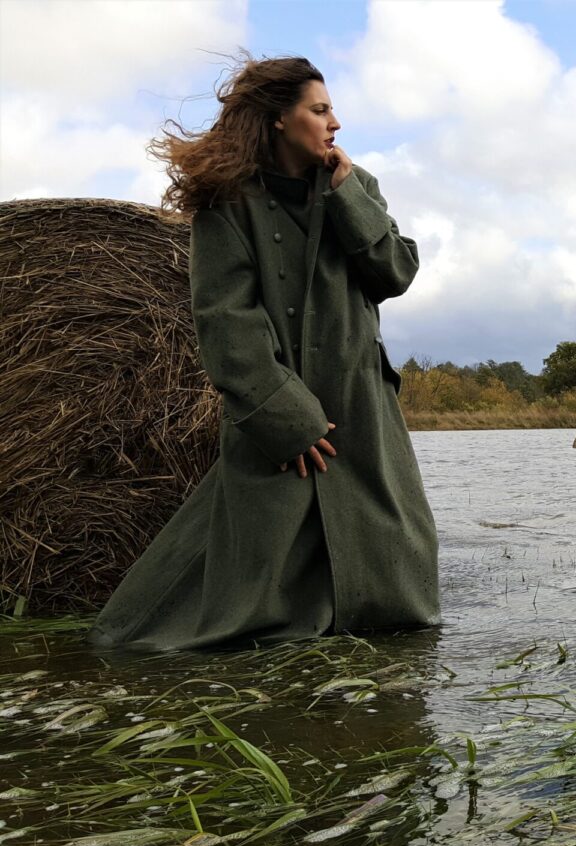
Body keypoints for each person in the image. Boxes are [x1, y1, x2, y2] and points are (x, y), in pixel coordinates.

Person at [87, 55, 439, 650]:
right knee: (254, 582)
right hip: (283, 404)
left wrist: (348, 196)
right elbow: (226, 319)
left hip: (360, 402)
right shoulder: (228, 204)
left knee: (393, 563)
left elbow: (397, 272)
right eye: (320, 109)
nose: (335, 123)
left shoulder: (358, 185)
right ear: (280, 118)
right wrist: (285, 416)